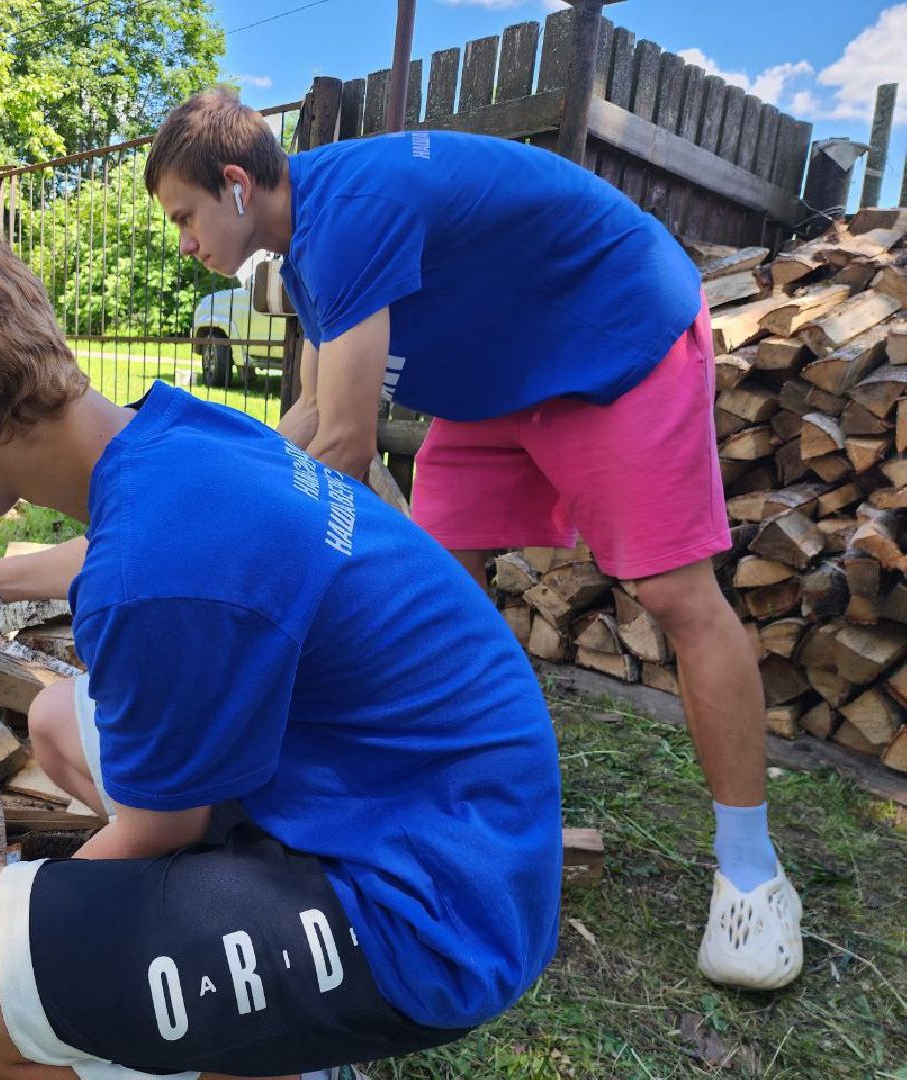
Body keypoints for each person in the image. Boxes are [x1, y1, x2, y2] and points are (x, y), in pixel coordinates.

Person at [0, 207, 563, 1078]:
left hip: (426, 917)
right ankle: (245, 1010)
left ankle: (242, 1049)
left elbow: (156, 830)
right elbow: (140, 553)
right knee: (64, 720)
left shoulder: (155, 576)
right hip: (445, 818)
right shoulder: (178, 438)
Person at [143, 87, 802, 992]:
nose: (183, 241)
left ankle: (753, 873)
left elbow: (342, 446)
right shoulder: (303, 253)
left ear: (235, 185)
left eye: (184, 216)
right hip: (496, 379)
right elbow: (303, 416)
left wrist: (229, 565)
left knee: (674, 596)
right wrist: (207, 491)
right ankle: (444, 815)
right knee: (435, 594)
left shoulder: (348, 213)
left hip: (612, 337)